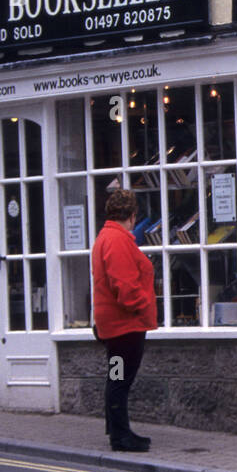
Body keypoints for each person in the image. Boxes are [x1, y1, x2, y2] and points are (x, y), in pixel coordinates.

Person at [92, 188, 157, 452]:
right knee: (120, 380)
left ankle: (118, 431)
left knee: (116, 378)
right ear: (131, 216)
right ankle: (120, 436)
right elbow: (125, 285)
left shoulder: (106, 237)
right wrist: (142, 306)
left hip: (116, 326)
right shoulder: (117, 240)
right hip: (125, 327)